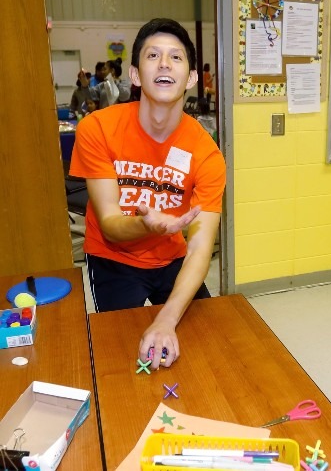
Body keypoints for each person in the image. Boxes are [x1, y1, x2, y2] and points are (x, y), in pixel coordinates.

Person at [70, 18, 226, 370]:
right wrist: (148, 226)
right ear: (136, 75)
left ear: (190, 79)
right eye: (153, 55)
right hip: (113, 258)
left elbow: (201, 247)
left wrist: (167, 319)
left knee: (203, 344)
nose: (165, 63)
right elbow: (110, 223)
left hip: (174, 257)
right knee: (120, 355)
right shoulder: (98, 129)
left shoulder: (207, 154)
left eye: (176, 57)